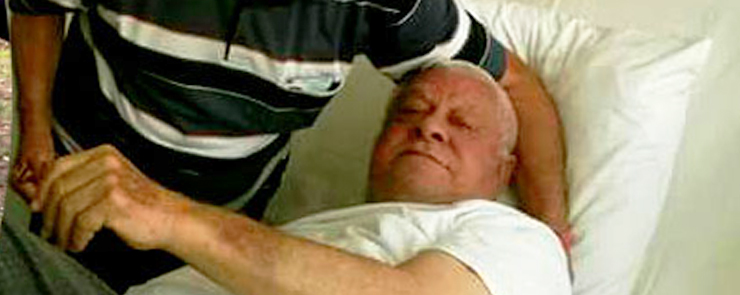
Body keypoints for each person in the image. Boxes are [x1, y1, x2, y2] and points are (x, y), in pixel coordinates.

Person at [8, 0, 570, 289]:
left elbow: (513, 84)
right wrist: (35, 134)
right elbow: (38, 1)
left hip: (218, 236)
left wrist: (552, 235)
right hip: (78, 193)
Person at [1, 62, 571, 295]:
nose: (429, 128)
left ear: (505, 170)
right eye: (410, 112)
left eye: (462, 122)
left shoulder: (518, 239)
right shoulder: (305, 233)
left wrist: (167, 214)